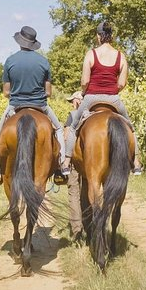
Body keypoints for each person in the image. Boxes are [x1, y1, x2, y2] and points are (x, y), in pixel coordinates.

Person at [61, 20, 142, 175]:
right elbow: (122, 83)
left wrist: (85, 92)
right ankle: (136, 161)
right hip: (113, 99)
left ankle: (66, 161)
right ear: (111, 36)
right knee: (130, 127)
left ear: (99, 36)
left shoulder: (91, 54)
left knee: (73, 127)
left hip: (91, 97)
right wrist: (112, 89)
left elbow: (84, 81)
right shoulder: (120, 56)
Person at [0, 25, 65, 184]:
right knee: (58, 130)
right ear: (33, 43)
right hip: (40, 105)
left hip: (15, 105)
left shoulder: (10, 60)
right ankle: (60, 167)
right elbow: (49, 92)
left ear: (20, 41)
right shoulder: (43, 62)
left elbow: (6, 92)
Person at [64, 91, 84, 243]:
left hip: (74, 161)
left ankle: (77, 228)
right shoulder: (92, 114)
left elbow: (65, 136)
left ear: (78, 101)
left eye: (73, 100)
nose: (72, 103)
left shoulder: (72, 115)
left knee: (74, 192)